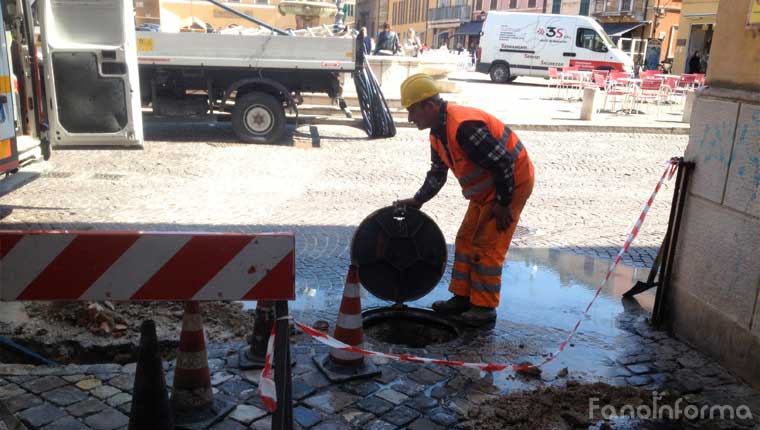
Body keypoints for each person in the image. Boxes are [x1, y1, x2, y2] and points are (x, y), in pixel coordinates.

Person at [396, 74, 535, 326]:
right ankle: (462, 298)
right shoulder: (437, 134)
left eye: (412, 111)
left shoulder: (463, 127)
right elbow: (438, 173)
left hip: (511, 183)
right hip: (486, 191)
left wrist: (504, 203)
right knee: (466, 238)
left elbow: (503, 163)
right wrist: (418, 201)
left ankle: (483, 308)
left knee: (486, 245)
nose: (410, 118)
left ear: (429, 106)